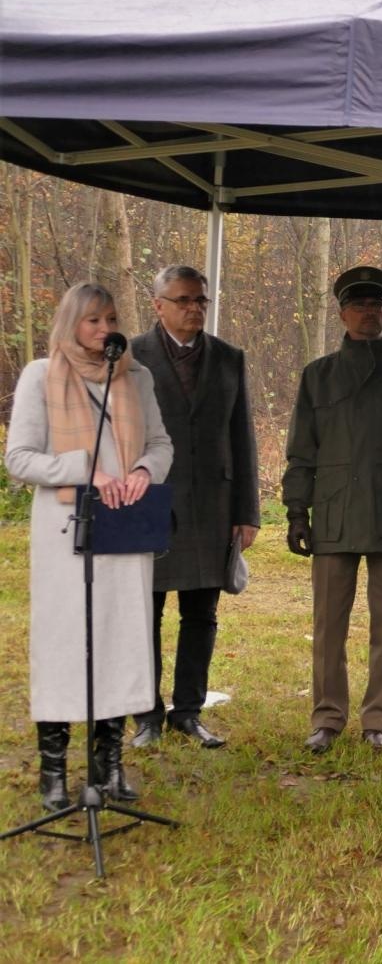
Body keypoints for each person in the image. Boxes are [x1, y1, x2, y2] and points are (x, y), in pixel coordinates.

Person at [6, 283, 173, 812]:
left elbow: (160, 443)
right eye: (92, 321)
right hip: (64, 532)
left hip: (123, 526)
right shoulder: (40, 375)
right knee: (65, 643)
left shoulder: (137, 377)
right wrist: (85, 472)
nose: (104, 330)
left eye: (111, 319)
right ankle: (53, 771)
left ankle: (110, 765)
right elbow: (21, 458)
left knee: (120, 643)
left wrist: (144, 472)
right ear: (70, 324)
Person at [283, 266, 382, 753]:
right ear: (342, 312)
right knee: (329, 624)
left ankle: (377, 718)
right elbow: (302, 450)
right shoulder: (318, 376)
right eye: (360, 305)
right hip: (334, 514)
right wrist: (296, 511)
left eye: (378, 304)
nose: (370, 313)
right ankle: (327, 717)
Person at [128, 265, 259, 751]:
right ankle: (146, 716)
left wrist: (248, 512)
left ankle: (188, 712)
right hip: (149, 500)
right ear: (158, 304)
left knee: (201, 614)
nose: (194, 308)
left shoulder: (229, 357)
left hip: (213, 503)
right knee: (147, 614)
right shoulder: (130, 355)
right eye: (183, 300)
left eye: (201, 300)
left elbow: (241, 436)